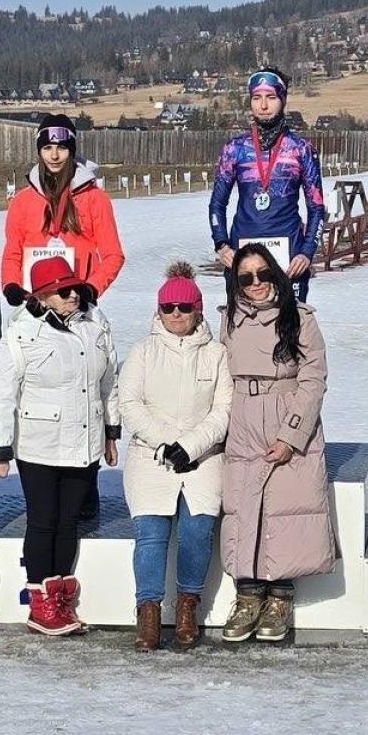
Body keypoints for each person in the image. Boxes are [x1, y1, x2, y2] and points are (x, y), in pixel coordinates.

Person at [0, 256, 119, 636]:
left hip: (85, 440)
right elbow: (1, 392)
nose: (73, 295)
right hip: (39, 443)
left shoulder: (96, 323)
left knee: (69, 521)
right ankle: (40, 602)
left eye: (74, 287)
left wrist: (111, 431)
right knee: (44, 521)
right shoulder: (22, 332)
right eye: (63, 291)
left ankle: (59, 597)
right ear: (43, 296)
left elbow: (109, 381)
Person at [218, 242, 335, 643]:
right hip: (241, 414)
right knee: (245, 504)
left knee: (287, 504)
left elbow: (313, 378)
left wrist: (292, 433)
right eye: (246, 277)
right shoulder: (228, 319)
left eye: (264, 275)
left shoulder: (299, 318)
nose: (255, 284)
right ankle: (248, 594)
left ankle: (280, 596)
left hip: (285, 409)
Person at [119, 262, 231, 651]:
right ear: (158, 311)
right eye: (169, 308)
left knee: (197, 532)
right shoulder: (142, 352)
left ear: (198, 309)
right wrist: (167, 443)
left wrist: (192, 446)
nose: (177, 315)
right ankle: (148, 611)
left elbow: (223, 409)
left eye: (185, 307)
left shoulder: (216, 355)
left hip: (203, 458)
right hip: (151, 456)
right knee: (150, 535)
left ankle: (187, 606)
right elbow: (129, 403)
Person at [209, 68, 326, 302]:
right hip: (243, 256)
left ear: (282, 100)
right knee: (242, 332)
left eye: (271, 98)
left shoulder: (300, 149)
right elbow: (217, 203)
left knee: (290, 333)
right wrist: (221, 244)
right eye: (256, 98)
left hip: (289, 259)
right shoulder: (235, 149)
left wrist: (306, 252)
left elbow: (317, 208)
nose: (263, 106)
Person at [0, 113, 125, 308]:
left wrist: (91, 288)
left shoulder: (95, 198)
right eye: (47, 148)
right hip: (36, 303)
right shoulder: (21, 201)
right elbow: (12, 251)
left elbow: (113, 255)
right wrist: (11, 284)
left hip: (78, 302)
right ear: (40, 151)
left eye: (62, 147)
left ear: (72, 151)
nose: (54, 155)